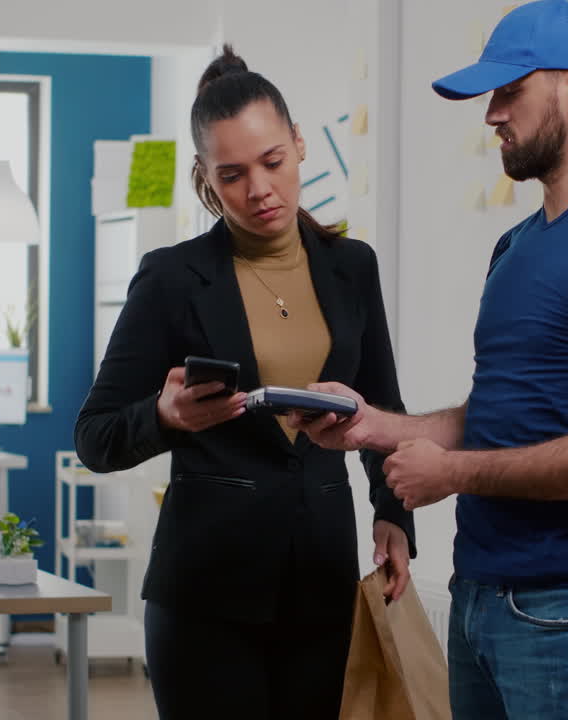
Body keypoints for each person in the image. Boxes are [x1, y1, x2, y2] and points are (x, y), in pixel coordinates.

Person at [293, 2, 568, 718]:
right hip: (478, 601)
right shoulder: (516, 246)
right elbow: (499, 415)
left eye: (510, 91)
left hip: (566, 614)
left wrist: (454, 475)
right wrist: (374, 426)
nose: (492, 114)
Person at [73, 45, 415, 720]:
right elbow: (95, 437)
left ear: (299, 145)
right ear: (205, 178)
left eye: (272, 162)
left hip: (321, 585)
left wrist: (393, 514)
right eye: (232, 175)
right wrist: (165, 416)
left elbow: (383, 409)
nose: (259, 189)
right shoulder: (171, 278)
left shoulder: (353, 267)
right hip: (204, 598)